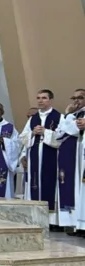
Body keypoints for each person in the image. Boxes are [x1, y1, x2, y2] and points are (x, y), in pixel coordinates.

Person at [20, 90, 69, 227]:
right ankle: (36, 218)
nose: (40, 101)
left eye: (44, 98)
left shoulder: (59, 117)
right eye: (38, 98)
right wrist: (32, 133)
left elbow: (63, 138)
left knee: (51, 185)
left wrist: (45, 132)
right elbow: (22, 138)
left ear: (50, 100)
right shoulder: (33, 118)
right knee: (35, 184)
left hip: (52, 157)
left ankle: (52, 221)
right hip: (35, 157)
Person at [56, 89, 85, 234]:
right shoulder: (74, 115)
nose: (76, 101)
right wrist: (68, 115)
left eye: (80, 97)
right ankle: (78, 225)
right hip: (75, 156)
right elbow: (59, 133)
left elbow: (72, 130)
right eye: (74, 98)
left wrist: (67, 117)